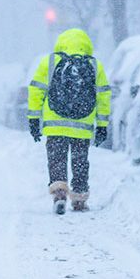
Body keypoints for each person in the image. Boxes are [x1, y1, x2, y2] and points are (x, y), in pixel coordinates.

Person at [27, 28, 112, 214]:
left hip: (55, 125)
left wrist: (34, 119)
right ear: (86, 45)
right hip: (82, 126)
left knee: (56, 159)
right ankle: (79, 198)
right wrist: (102, 125)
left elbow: (36, 90)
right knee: (80, 161)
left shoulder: (50, 62)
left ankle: (59, 193)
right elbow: (103, 96)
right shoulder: (94, 65)